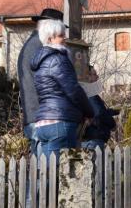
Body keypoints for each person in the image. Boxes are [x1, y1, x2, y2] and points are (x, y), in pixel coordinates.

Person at [31, 19, 94, 157]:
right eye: (60, 35)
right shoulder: (58, 60)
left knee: (48, 167)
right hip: (60, 122)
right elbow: (73, 90)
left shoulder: (41, 64)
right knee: (62, 168)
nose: (65, 38)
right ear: (50, 39)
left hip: (43, 123)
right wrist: (89, 111)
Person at [19, 8, 65, 157]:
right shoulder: (38, 47)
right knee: (46, 166)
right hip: (42, 117)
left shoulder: (34, 44)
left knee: (41, 165)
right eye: (59, 31)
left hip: (37, 115)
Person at [80, 66, 119, 151]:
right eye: (94, 74)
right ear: (87, 77)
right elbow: (99, 114)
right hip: (93, 139)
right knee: (95, 160)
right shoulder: (89, 93)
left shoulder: (84, 92)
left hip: (89, 139)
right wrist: (112, 124)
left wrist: (112, 112)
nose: (97, 77)